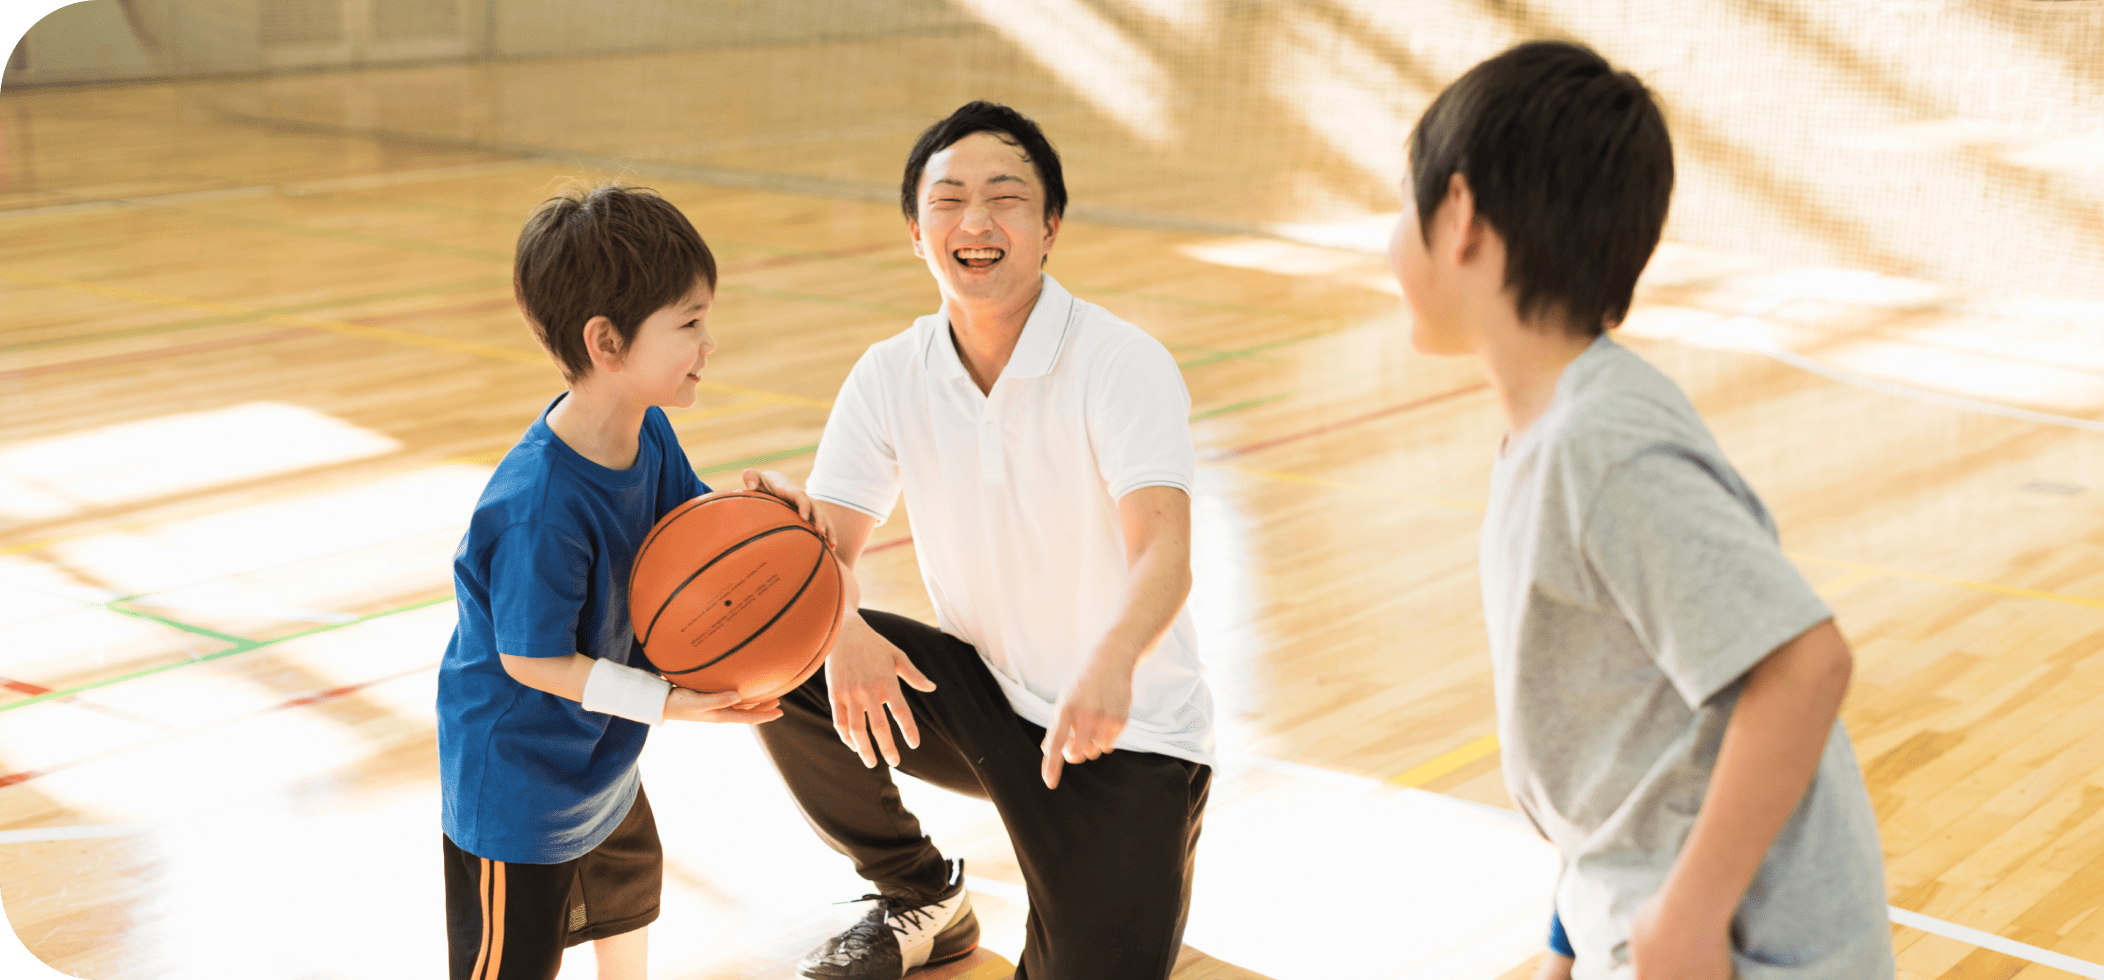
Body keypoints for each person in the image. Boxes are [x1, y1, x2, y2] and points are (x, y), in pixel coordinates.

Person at [1387, 41, 1894, 979]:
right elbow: (1622, 746)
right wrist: (1565, 939)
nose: (1392, 236)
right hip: (1639, 924)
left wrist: (1686, 921)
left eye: (1401, 204)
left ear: (1458, 214)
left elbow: (1805, 665)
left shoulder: (1600, 444)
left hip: (1751, 955)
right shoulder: (1554, 431)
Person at [754, 101, 1212, 980]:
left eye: (1005, 198)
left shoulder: (1121, 362)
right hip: (980, 702)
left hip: (1125, 732)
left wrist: (1113, 660)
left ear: (1049, 228)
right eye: (948, 200)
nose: (975, 221)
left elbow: (1165, 550)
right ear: (917, 236)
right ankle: (920, 892)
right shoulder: (891, 372)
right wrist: (840, 629)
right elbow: (827, 552)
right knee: (781, 648)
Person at [437, 183, 823, 980]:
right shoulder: (539, 507)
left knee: (627, 917)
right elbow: (532, 661)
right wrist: (670, 703)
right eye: (688, 323)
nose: (709, 342)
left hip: (602, 755)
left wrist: (762, 519)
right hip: (517, 780)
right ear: (606, 342)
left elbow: (687, 536)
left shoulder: (647, 430)